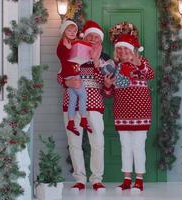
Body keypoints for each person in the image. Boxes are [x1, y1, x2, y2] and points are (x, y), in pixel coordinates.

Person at [57, 20, 112, 192]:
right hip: (72, 106)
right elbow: (60, 76)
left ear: (101, 41)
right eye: (90, 36)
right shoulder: (71, 54)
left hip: (94, 106)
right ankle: (80, 179)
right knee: (74, 143)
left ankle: (96, 179)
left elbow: (108, 85)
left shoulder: (106, 59)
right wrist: (67, 82)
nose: (93, 39)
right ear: (84, 38)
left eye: (96, 37)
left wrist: (96, 62)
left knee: (97, 143)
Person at [104, 34, 154, 192]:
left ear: (133, 50)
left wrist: (138, 63)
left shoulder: (141, 63)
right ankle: (126, 179)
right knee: (125, 147)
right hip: (122, 113)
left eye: (126, 48)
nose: (122, 51)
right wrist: (107, 85)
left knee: (138, 146)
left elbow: (150, 75)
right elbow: (109, 93)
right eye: (119, 49)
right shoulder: (114, 68)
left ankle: (139, 179)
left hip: (140, 113)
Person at [57, 19, 91, 136]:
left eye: (74, 30)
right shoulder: (63, 44)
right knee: (83, 95)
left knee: (73, 99)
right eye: (69, 30)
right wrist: (67, 48)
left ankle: (71, 123)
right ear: (64, 31)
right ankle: (84, 119)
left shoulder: (72, 43)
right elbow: (63, 57)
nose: (72, 32)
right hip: (72, 74)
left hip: (71, 73)